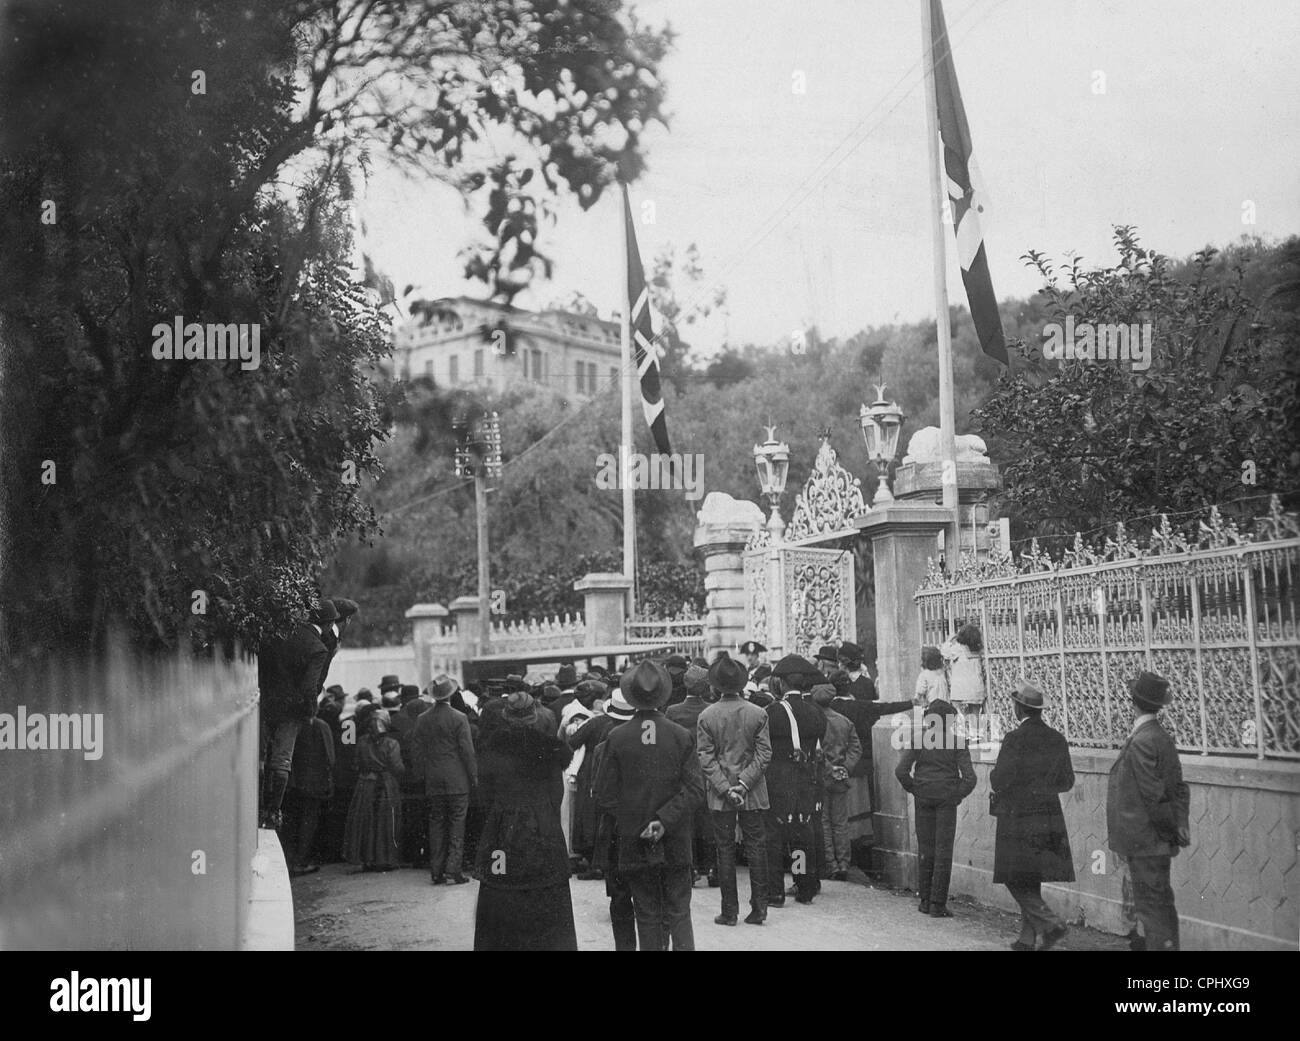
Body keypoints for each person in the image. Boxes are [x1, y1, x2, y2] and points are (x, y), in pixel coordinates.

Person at [596, 660, 703, 951]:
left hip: (634, 840)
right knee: (680, 913)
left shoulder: (616, 738)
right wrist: (664, 820)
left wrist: (638, 821)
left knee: (647, 914)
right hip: (676, 838)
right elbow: (695, 790)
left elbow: (604, 795)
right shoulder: (681, 736)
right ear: (662, 695)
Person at [473, 691, 578, 951]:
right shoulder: (551, 750)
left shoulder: (490, 750)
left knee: (500, 889)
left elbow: (484, 796)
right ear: (534, 718)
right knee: (547, 891)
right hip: (543, 827)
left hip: (502, 831)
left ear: (506, 718)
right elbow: (557, 796)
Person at [1106, 671, 1190, 952]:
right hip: (1155, 839)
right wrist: (1177, 827)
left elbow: (1153, 795)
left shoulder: (1142, 739)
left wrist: (1166, 832)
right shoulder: (1160, 736)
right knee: (1160, 904)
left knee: (1151, 908)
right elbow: (1177, 786)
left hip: (1146, 840)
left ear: (1134, 703)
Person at [990, 679, 1076, 950]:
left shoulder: (1014, 739)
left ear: (1019, 708)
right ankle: (1029, 939)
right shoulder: (1057, 739)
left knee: (1014, 877)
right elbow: (1068, 781)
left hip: (1018, 815)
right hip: (1048, 814)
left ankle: (1050, 923)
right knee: (1031, 876)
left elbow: (999, 779)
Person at [697, 655, 771, 926]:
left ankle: (729, 911)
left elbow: (705, 757)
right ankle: (760, 908)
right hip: (753, 791)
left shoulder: (706, 716)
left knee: (725, 850)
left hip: (720, 795)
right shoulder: (758, 713)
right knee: (756, 848)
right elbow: (764, 755)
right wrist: (744, 784)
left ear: (715, 686)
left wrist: (727, 788)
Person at [895, 688, 975, 916]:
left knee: (926, 849)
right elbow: (970, 778)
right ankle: (938, 904)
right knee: (943, 851)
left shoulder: (919, 740)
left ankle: (924, 901)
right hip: (946, 800)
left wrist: (916, 789)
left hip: (923, 797)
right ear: (949, 721)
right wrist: (956, 795)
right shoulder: (958, 742)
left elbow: (900, 771)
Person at [257, 601, 332, 829]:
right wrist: (308, 711)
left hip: (266, 703)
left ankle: (257, 806)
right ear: (328, 624)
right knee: (281, 760)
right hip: (291, 711)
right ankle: (272, 811)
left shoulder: (282, 633)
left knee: (261, 757)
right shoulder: (318, 648)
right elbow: (309, 688)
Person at [764, 655, 827, 905]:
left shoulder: (773, 711)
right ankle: (804, 887)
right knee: (802, 831)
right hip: (807, 779)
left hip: (779, 780)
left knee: (775, 836)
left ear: (780, 683)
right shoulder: (816, 712)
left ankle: (775, 892)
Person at [411, 674, 477, 885]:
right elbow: (467, 751)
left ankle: (436, 870)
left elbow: (417, 752)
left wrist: (421, 775)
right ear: (451, 694)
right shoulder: (459, 718)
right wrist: (473, 776)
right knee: (457, 824)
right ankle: (453, 869)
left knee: (436, 825)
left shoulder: (422, 719)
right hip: (457, 779)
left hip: (433, 780)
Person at [569, 688, 634, 881]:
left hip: (594, 770)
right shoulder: (633, 727)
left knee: (593, 817)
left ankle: (596, 862)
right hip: (626, 776)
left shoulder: (596, 723)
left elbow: (573, 741)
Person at [667, 664, 719, 888]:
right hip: (708, 771)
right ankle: (712, 868)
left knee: (686, 823)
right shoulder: (712, 709)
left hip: (683, 774)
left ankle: (690, 869)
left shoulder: (673, 711)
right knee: (709, 822)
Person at [810, 684, 862, 881]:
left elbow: (815, 752)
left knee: (823, 821)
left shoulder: (813, 721)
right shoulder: (844, 722)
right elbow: (856, 748)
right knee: (840, 822)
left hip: (820, 776)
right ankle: (843, 863)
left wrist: (828, 768)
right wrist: (845, 767)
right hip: (841, 777)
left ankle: (830, 863)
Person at [342, 708, 404, 872]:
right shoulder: (392, 743)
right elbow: (397, 767)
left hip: (365, 784)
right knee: (385, 822)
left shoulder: (361, 741)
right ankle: (384, 859)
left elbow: (356, 763)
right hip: (386, 784)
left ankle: (367, 858)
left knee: (366, 822)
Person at [284, 712, 335, 876]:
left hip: (294, 782)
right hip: (315, 784)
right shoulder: (321, 726)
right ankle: (301, 861)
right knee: (308, 823)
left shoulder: (292, 725)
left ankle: (291, 861)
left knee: (293, 823)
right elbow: (330, 757)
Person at [390, 684, 430, 866]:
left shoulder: (395, 720)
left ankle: (409, 853)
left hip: (405, 776)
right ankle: (425, 853)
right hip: (425, 774)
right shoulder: (427, 715)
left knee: (409, 815)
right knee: (426, 815)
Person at [941, 623, 985, 737]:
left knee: (959, 713)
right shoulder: (978, 650)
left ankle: (962, 734)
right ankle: (975, 734)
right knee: (975, 712)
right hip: (976, 687)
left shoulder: (958, 649)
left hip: (960, 688)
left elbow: (944, 651)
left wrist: (949, 640)